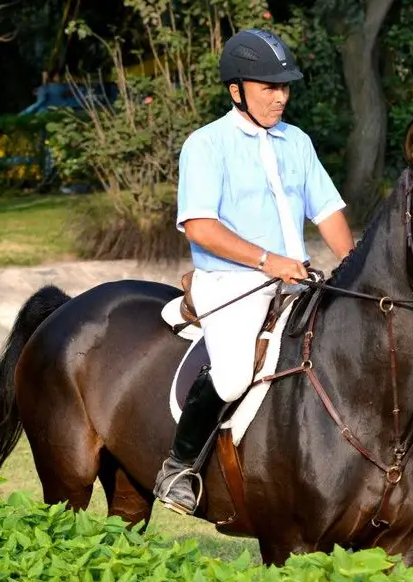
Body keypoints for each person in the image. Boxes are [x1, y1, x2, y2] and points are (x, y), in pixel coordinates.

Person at [152, 28, 356, 515]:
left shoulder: (297, 142)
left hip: (295, 279)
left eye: (284, 87)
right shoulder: (206, 145)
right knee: (233, 374)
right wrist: (271, 262)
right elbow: (200, 227)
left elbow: (326, 211)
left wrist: (352, 269)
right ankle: (177, 468)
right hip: (234, 282)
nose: (280, 97)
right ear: (236, 91)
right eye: (269, 87)